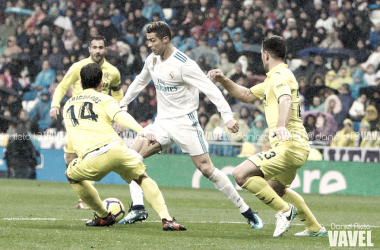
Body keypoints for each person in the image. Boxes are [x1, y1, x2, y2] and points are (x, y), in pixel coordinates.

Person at [118, 21, 262, 229]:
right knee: (130, 159)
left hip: (186, 125)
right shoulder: (152, 60)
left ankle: (246, 211)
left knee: (207, 169)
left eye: (152, 41)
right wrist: (122, 104)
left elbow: (211, 90)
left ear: (165, 39)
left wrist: (227, 116)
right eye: (148, 40)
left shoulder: (184, 65)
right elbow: (139, 82)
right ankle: (138, 207)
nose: (149, 45)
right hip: (162, 123)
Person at [207, 36, 327, 237]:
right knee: (275, 190)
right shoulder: (276, 77)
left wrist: (280, 126)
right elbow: (246, 95)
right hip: (297, 146)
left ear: (265, 54)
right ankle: (315, 228)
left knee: (240, 174)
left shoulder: (279, 76)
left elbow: (286, 99)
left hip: (288, 145)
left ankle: (285, 211)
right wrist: (223, 80)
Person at [63, 63, 186, 230]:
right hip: (116, 150)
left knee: (71, 175)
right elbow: (119, 115)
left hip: (92, 158)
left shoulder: (68, 105)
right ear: (101, 83)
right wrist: (142, 131)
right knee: (142, 178)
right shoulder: (105, 99)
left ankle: (103, 216)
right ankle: (167, 219)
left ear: (80, 83)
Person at [49, 36, 134, 211]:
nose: (97, 50)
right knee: (70, 159)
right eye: (94, 47)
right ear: (89, 49)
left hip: (98, 122)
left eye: (101, 47)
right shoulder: (77, 67)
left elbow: (118, 94)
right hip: (77, 122)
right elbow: (62, 87)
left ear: (106, 49)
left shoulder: (113, 72)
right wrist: (55, 105)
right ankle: (86, 196)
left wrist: (120, 115)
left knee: (88, 157)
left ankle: (136, 190)